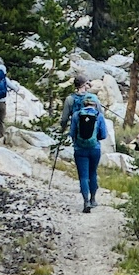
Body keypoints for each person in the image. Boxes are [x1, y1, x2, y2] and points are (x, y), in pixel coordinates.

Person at [61, 76, 109, 213]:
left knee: (83, 175)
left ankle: (85, 201)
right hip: (94, 147)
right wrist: (96, 137)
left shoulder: (71, 102)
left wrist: (64, 130)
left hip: (79, 146)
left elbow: (66, 122)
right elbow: (103, 133)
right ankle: (93, 199)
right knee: (93, 173)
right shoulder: (95, 105)